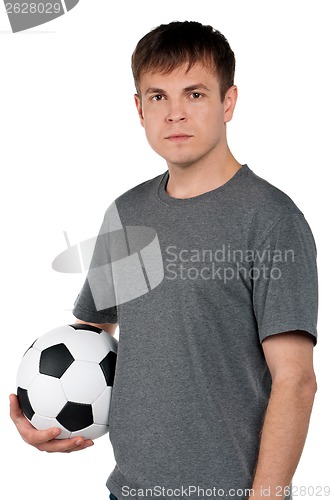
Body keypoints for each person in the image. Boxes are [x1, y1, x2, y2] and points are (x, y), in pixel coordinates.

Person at [10, 21, 318, 500]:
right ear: (139, 109)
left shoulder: (270, 220)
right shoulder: (129, 214)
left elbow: (296, 381)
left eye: (194, 94)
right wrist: (50, 416)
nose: (175, 114)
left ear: (228, 102)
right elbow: (92, 337)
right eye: (158, 97)